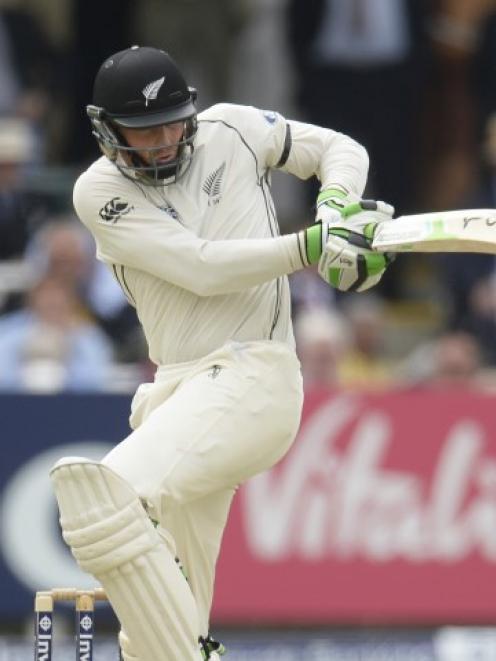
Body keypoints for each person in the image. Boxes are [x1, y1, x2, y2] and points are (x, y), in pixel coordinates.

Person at [48, 45, 394, 661]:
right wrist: (314, 246)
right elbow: (200, 269)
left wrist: (336, 204)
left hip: (255, 375)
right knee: (172, 636)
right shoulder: (97, 191)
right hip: (181, 391)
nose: (162, 141)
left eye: (173, 123)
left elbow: (342, 149)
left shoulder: (232, 127)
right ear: (107, 129)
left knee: (105, 497)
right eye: (144, 130)